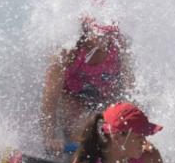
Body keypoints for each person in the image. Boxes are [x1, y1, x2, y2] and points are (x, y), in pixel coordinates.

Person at [40, 18, 134, 155]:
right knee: (81, 133)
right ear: (87, 29)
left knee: (112, 135)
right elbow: (50, 99)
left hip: (108, 95)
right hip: (74, 95)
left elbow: (130, 89)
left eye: (108, 33)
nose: (105, 38)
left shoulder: (120, 45)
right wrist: (49, 138)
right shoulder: (68, 51)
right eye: (100, 33)